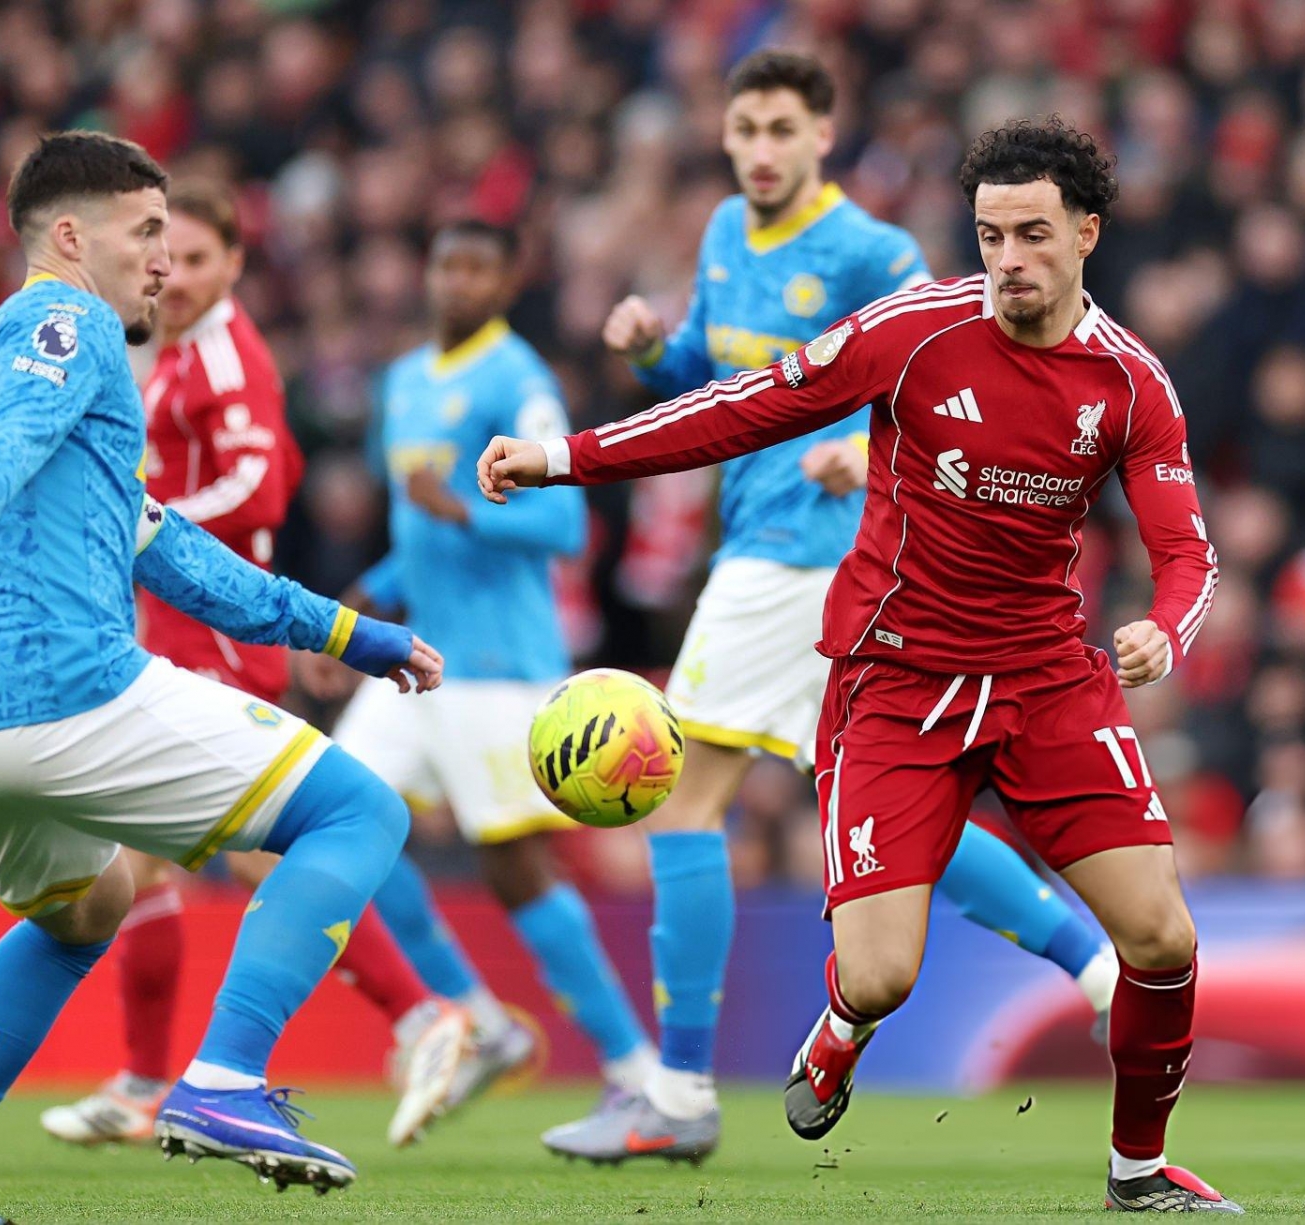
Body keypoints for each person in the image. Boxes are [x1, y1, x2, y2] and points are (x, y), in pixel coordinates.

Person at [479, 117, 1242, 1214]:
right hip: (895, 682)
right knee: (883, 973)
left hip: (1046, 683)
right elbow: (743, 410)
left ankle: (1136, 1172)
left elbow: (1187, 548)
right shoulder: (916, 332)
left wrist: (1168, 628)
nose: (1010, 260)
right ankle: (842, 1031)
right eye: (991, 235)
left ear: (1088, 233)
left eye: (1033, 234)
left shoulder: (1130, 383)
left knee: (1164, 937)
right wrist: (565, 459)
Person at [0, 132, 442, 1225]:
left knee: (92, 909)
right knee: (357, 809)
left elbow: (170, 549)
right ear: (72, 238)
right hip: (54, 683)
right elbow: (18, 440)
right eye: (146, 235)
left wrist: (350, 633)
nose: (163, 262)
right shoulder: (67, 323)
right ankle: (223, 1079)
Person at [546, 51, 1115, 1164]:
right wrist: (654, 349)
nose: (759, 149)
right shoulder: (721, 235)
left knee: (682, 800)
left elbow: (943, 381)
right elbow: (723, 382)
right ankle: (1096, 968)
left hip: (805, 560)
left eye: (780, 129)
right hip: (788, 560)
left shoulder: (874, 253)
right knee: (903, 824)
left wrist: (864, 460)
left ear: (821, 137)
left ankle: (679, 1090)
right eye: (744, 128)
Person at [37, 180, 470, 1153]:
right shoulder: (172, 355)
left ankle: (419, 1016)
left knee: (250, 847)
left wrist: (144, 518)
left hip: (219, 639)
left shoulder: (229, 357)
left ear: (234, 263)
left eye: (197, 260)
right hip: (170, 629)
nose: (177, 277)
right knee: (151, 852)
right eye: (167, 258)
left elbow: (260, 480)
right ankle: (154, 1075)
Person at [304, 218, 660, 1130]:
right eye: (446, 263)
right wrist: (354, 605)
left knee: (515, 868)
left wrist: (462, 508)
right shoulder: (404, 381)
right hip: (418, 658)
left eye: (477, 267)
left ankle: (635, 1067)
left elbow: (565, 528)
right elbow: (413, 537)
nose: (456, 281)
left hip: (498, 667)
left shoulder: (518, 380)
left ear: (504, 283)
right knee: (333, 824)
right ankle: (483, 1020)